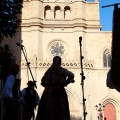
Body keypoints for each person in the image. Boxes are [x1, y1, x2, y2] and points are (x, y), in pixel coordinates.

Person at [36, 56, 75, 120]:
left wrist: (48, 84)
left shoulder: (48, 71)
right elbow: (72, 75)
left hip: (48, 93)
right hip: (58, 92)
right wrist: (67, 82)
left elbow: (42, 81)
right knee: (60, 110)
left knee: (46, 110)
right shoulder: (62, 70)